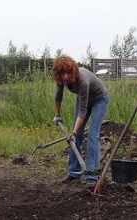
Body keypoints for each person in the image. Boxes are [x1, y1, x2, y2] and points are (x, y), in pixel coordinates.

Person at [52, 56, 109, 189]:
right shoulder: (61, 79)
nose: (65, 76)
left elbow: (82, 111)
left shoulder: (82, 79)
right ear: (58, 73)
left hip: (99, 100)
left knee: (92, 135)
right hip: (83, 100)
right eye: (62, 73)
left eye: (68, 73)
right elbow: (58, 95)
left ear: (73, 70)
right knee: (75, 137)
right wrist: (57, 115)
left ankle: (92, 175)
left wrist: (74, 132)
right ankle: (74, 172)